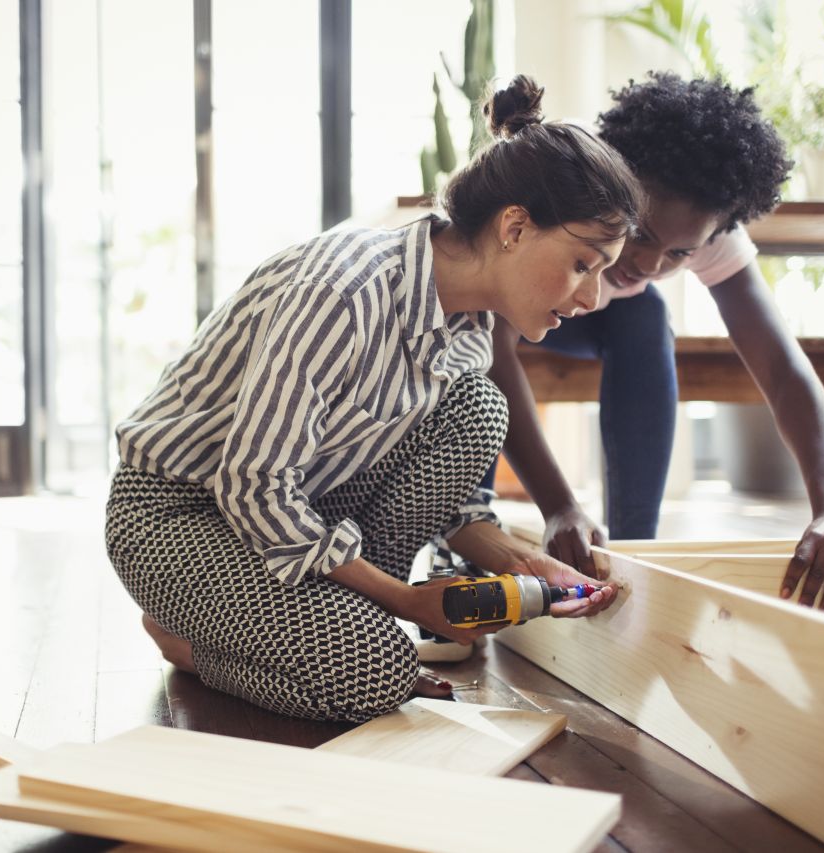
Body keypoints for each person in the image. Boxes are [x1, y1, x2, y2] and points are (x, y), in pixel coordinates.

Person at [105, 75, 638, 723]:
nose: (591, 299)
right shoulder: (346, 291)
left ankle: (327, 620)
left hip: (306, 513)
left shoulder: (472, 331)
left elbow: (458, 507)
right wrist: (405, 602)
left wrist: (533, 567)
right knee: (378, 672)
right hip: (179, 515)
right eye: (586, 265)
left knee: (481, 408)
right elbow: (255, 486)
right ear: (515, 228)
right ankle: (189, 642)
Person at [488, 72, 824, 612]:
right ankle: (469, 523)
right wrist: (558, 506)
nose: (648, 263)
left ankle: (634, 548)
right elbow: (491, 351)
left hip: (595, 320)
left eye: (678, 255)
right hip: (495, 313)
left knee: (645, 312)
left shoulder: (707, 230)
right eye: (639, 233)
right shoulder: (567, 176)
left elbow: (783, 370)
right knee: (470, 355)